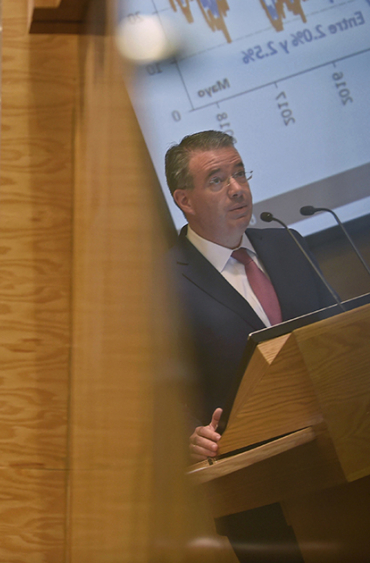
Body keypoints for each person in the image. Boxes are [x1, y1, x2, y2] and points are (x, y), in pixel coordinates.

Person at [165, 131, 334, 561]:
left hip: (335, 455)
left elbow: (333, 332)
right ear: (185, 200)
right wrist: (186, 433)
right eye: (218, 179)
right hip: (249, 482)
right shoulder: (161, 282)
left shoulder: (288, 244)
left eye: (239, 172)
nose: (238, 187)